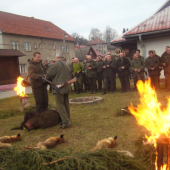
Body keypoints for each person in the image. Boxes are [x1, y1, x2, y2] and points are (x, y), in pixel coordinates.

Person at [46, 53, 72, 129]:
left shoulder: (56, 64)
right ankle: (67, 119)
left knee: (60, 105)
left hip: (59, 88)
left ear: (57, 57)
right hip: (66, 86)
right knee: (66, 104)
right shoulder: (66, 64)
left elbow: (49, 74)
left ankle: (66, 121)